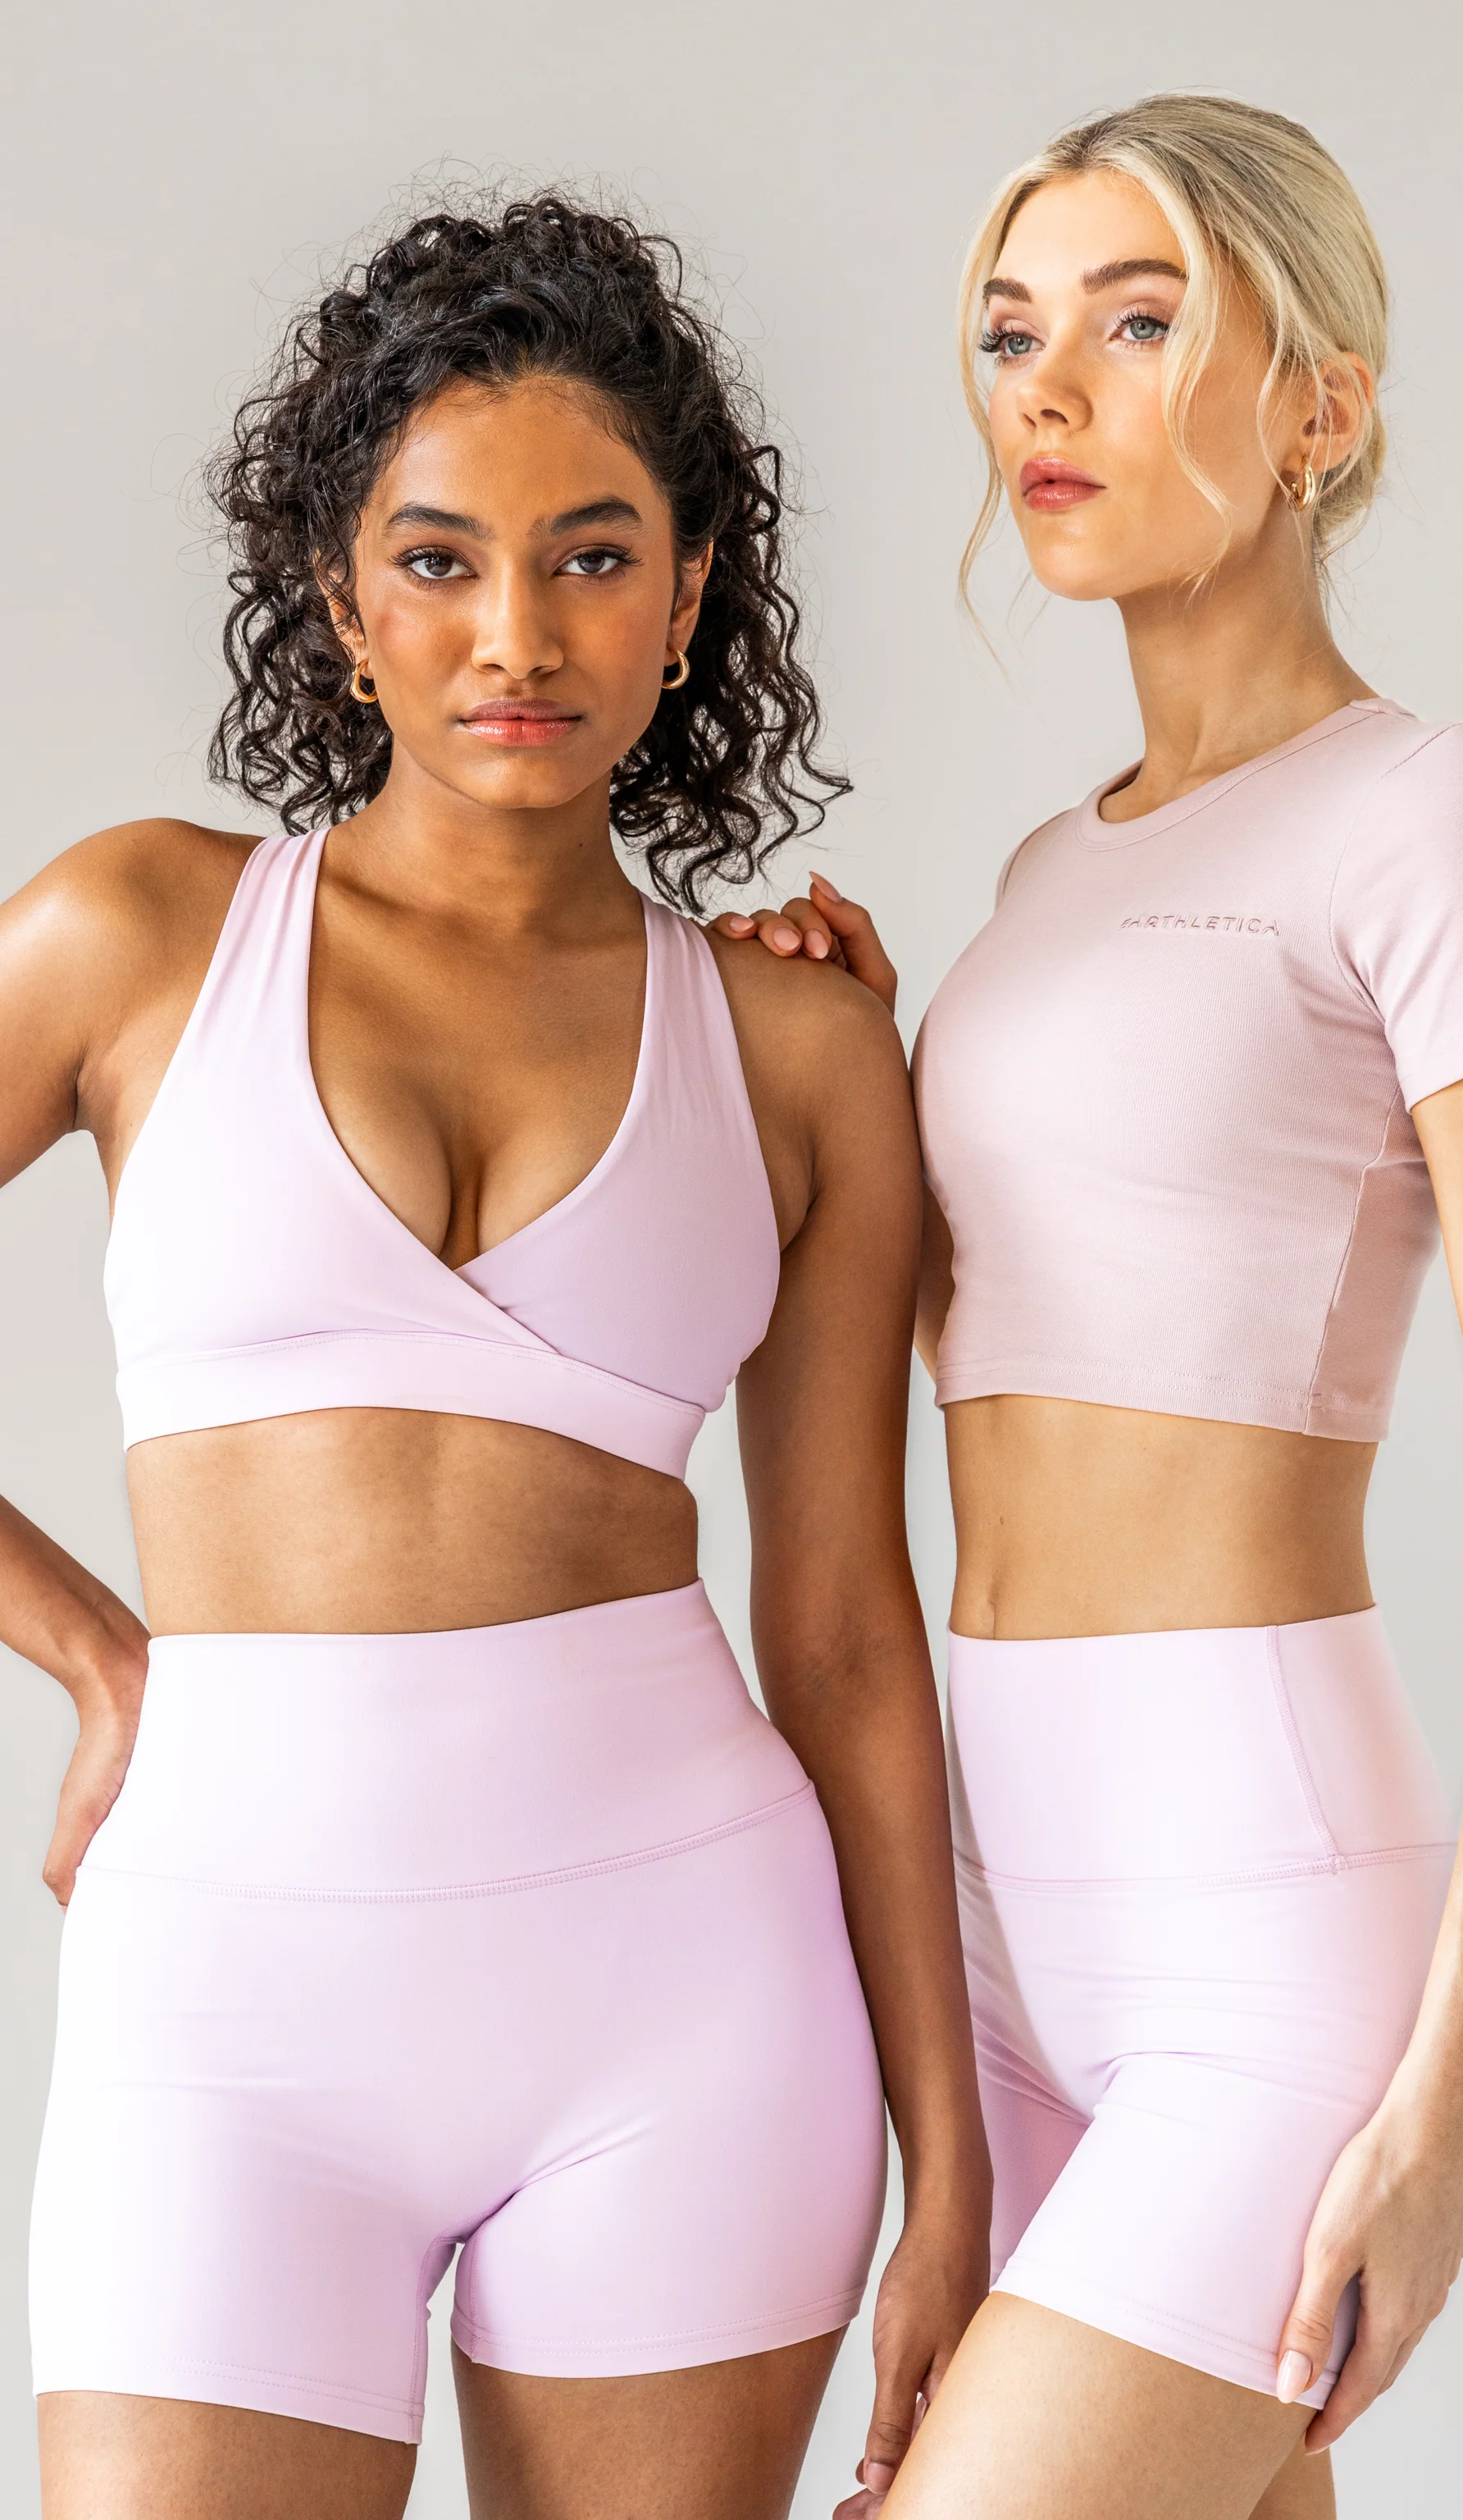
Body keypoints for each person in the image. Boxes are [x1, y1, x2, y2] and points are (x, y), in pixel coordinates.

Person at [2, 194, 989, 2520]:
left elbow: (847, 1629)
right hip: (226, 2010)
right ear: (340, 601)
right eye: (437, 562)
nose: (517, 636)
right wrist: (99, 1657)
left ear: (693, 591)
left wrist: (952, 2164)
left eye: (592, 556)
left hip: (686, 1995)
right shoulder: (137, 931)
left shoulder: (799, 1054)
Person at [722, 95, 1463, 2520]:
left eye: (1140, 327)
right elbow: (1023, 1336)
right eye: (1009, 332)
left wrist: (1447, 2099)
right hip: (1002, 1914)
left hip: (1263, 1924)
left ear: (1321, 404)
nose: (1048, 390)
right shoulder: (1048, 876)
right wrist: (857, 1051)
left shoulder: (1435, 815)